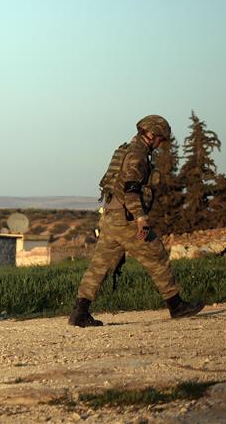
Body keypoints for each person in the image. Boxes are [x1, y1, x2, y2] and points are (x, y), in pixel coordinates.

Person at [68, 115, 204, 327]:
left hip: (111, 217)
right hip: (127, 218)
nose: (161, 144)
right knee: (157, 257)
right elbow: (131, 189)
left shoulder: (126, 150)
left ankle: (80, 312)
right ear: (151, 135)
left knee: (99, 265)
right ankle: (176, 306)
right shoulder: (138, 156)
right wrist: (141, 219)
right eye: (161, 139)